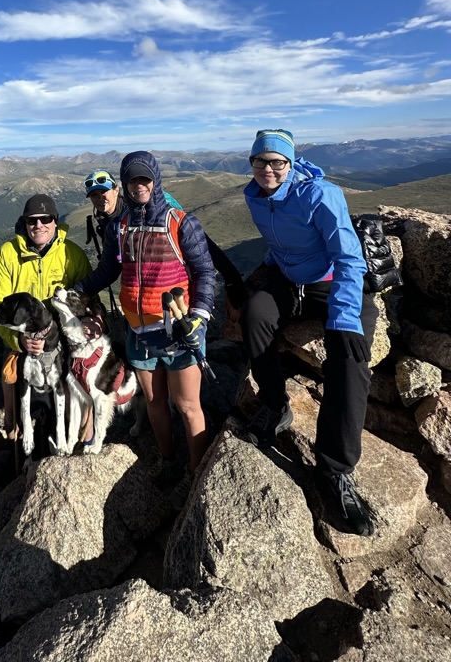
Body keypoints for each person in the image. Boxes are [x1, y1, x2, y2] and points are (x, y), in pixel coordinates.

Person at [240, 129, 378, 536]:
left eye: (277, 162)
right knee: (254, 314)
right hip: (288, 278)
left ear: (290, 163)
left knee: (350, 356)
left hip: (331, 279)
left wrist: (345, 315)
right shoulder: (253, 195)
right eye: (260, 162)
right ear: (251, 164)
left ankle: (335, 469)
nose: (268, 169)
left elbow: (349, 256)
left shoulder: (320, 194)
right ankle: (275, 403)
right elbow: (278, 241)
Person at [76, 151, 216, 508]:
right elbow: (108, 270)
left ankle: (196, 474)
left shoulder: (179, 222)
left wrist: (198, 314)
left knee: (187, 405)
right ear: (124, 183)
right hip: (140, 333)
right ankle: (169, 461)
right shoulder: (119, 226)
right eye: (132, 180)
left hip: (178, 328)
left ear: (155, 180)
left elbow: (204, 272)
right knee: (155, 402)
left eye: (144, 179)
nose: (139, 186)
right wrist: (79, 291)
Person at [0, 193, 90, 439]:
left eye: (45, 219)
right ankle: (15, 442)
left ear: (55, 221)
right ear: (25, 223)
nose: (39, 225)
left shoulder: (72, 255)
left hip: (62, 339)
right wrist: (17, 341)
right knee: (11, 395)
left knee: (79, 395)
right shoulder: (8, 253)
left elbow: (87, 299)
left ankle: (79, 442)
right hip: (20, 339)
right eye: (32, 220)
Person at [84, 168, 248, 309]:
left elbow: (202, 244)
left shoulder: (141, 211)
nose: (100, 198)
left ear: (116, 190)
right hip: (140, 295)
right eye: (94, 195)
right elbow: (112, 267)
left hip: (173, 287)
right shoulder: (105, 222)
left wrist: (231, 277)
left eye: (103, 192)